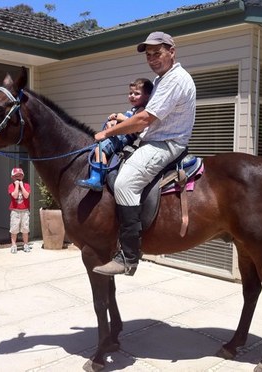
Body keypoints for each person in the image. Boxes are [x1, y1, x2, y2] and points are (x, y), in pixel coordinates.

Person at [93, 31, 196, 276]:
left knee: (124, 183)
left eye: (157, 53)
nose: (152, 58)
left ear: (172, 51)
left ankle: (128, 256)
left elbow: (144, 119)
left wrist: (107, 134)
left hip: (165, 144)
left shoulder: (174, 80)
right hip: (154, 139)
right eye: (148, 55)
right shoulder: (162, 79)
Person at [76, 78, 154, 191]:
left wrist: (118, 117)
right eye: (130, 93)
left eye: (137, 94)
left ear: (147, 96)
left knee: (100, 149)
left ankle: (97, 178)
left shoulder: (142, 110)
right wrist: (113, 124)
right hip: (119, 135)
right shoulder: (134, 109)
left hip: (123, 138)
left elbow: (133, 122)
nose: (132, 96)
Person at [8, 167, 31, 253]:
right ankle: (14, 245)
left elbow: (26, 196)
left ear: (23, 176)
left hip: (24, 211)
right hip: (15, 211)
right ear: (12, 177)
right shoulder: (11, 186)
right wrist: (17, 185)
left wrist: (21, 185)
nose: (18, 177)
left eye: (20, 176)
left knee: (25, 228)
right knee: (14, 229)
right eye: (15, 176)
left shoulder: (26, 186)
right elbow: (14, 195)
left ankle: (26, 244)